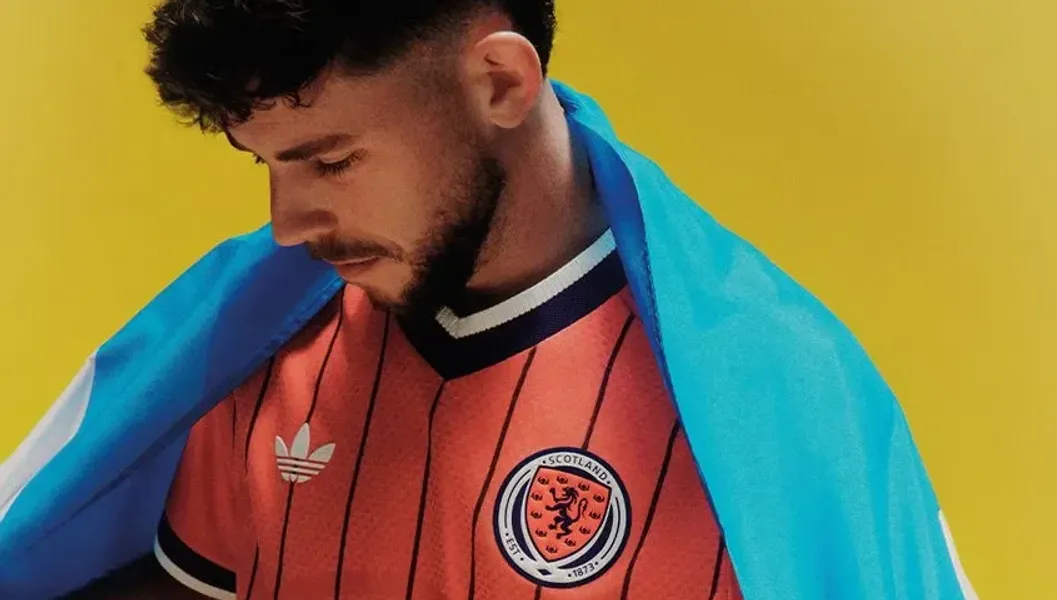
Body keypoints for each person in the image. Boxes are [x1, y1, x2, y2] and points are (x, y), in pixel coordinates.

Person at [0, 1, 978, 599]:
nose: (288, 223)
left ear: (501, 81)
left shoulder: (775, 402)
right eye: (265, 165)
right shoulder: (250, 359)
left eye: (331, 161)